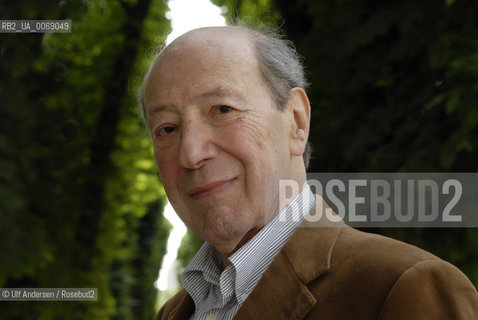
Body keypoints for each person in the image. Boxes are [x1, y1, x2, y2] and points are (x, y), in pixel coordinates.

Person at [139, 25, 478, 319]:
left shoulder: (404, 287)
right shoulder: (175, 313)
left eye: (223, 109)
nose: (191, 153)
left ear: (297, 122)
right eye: (166, 128)